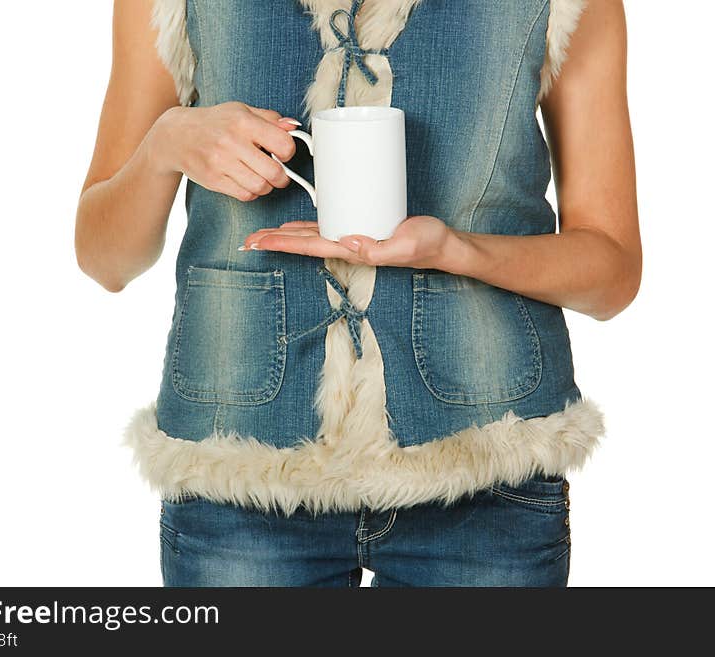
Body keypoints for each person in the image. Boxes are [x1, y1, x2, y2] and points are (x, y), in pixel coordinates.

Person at [75, 0, 640, 587]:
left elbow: (611, 274)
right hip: (237, 470)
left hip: (486, 463)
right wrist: (164, 146)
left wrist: (456, 251)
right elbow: (104, 257)